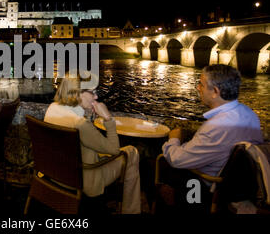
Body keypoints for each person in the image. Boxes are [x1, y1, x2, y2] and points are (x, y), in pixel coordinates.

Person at [159, 64, 263, 212]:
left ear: (215, 92)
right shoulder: (249, 114)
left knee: (159, 167)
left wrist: (174, 139)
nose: (197, 88)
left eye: (201, 84)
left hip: (209, 188)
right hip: (239, 186)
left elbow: (178, 159)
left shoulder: (216, 126)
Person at [43, 74, 141, 214]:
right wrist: (108, 119)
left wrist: (87, 114)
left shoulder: (53, 108)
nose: (96, 97)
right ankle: (131, 211)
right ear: (78, 93)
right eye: (92, 92)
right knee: (131, 152)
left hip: (58, 174)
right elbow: (114, 150)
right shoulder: (80, 124)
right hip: (86, 178)